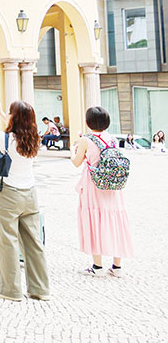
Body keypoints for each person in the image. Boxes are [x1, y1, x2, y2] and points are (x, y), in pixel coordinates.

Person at [0, 97, 50, 302]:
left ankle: (10, 290)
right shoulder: (35, 139)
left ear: (14, 118)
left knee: (6, 241)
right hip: (30, 195)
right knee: (34, 243)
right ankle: (40, 289)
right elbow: (16, 125)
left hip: (10, 195)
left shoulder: (5, 139)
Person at [71, 107, 135, 277]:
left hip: (93, 186)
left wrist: (73, 150)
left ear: (88, 122)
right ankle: (117, 266)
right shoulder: (111, 139)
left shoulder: (85, 140)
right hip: (113, 186)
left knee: (94, 221)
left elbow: (77, 162)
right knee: (115, 221)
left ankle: (97, 266)